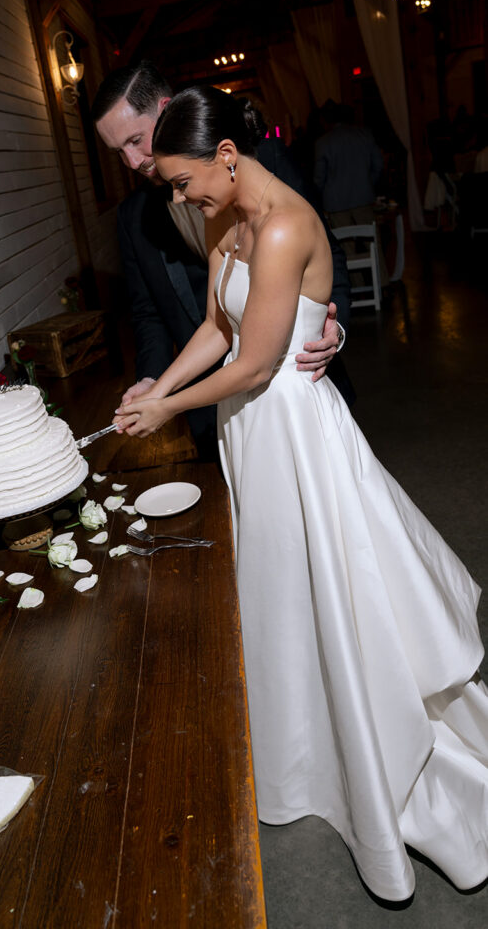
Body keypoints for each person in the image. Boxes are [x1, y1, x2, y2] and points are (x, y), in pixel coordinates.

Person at [114, 86, 488, 902]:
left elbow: (254, 362)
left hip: (293, 427)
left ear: (224, 155)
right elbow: (215, 328)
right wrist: (156, 388)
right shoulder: (224, 217)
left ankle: (380, 746)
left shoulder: (283, 223)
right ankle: (307, 744)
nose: (178, 198)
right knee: (282, 592)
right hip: (251, 430)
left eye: (181, 182)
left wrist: (168, 411)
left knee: (336, 587)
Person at [91, 63, 353, 458]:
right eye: (118, 152)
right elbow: (178, 319)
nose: (131, 162)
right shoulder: (141, 217)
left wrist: (331, 328)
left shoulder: (264, 165)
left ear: (166, 109)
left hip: (296, 392)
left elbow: (326, 253)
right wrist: (155, 387)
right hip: (218, 408)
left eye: (135, 140)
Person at [313, 100, 384, 226]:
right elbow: (378, 165)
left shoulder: (323, 143)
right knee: (370, 236)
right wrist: (366, 183)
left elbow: (319, 178)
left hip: (335, 203)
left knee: (344, 237)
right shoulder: (365, 135)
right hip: (363, 198)